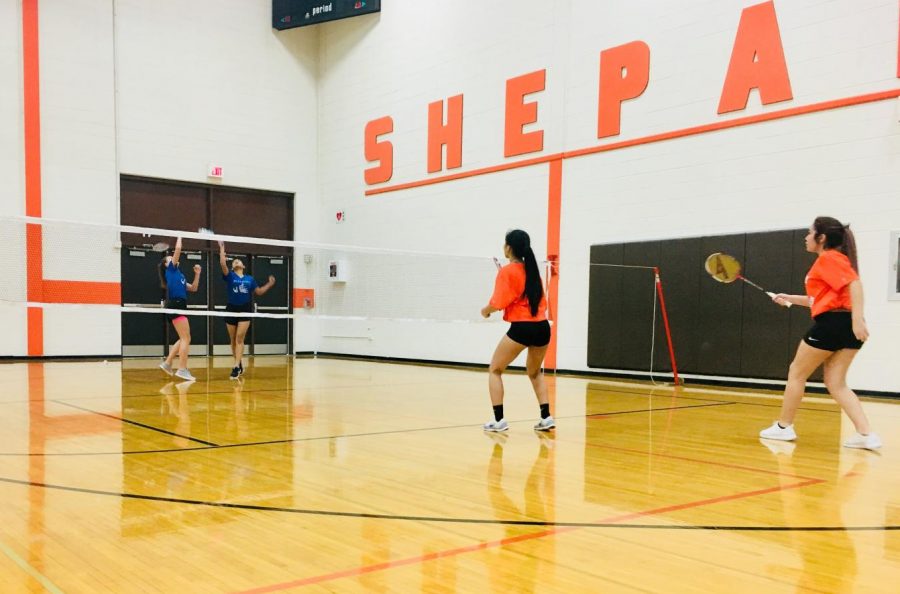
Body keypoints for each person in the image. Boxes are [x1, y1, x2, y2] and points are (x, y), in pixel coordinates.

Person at [760, 216, 881, 450]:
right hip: (844, 324)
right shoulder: (834, 261)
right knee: (836, 383)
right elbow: (821, 299)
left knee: (797, 372)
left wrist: (857, 320)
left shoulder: (829, 259)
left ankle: (784, 427)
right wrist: (790, 299)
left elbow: (854, 285)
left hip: (835, 323)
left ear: (821, 238)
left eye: (809, 232)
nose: (806, 237)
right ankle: (866, 435)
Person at [480, 229, 553, 432]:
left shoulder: (507, 271)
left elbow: (498, 302)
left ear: (508, 248)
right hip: (542, 327)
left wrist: (485, 311)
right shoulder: (532, 270)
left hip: (522, 328)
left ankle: (498, 420)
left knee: (495, 370)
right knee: (535, 372)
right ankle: (546, 417)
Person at [218, 241, 276, 379]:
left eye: (239, 261)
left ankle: (236, 366)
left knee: (239, 338)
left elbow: (259, 292)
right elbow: (222, 264)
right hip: (231, 308)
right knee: (232, 339)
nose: (237, 262)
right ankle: (238, 363)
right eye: (234, 261)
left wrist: (269, 284)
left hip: (245, 309)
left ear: (243, 266)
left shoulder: (250, 279)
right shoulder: (230, 276)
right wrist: (221, 248)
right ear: (233, 267)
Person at [158, 237, 202, 382]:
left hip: (179, 304)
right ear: (167, 264)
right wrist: (179, 236)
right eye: (170, 258)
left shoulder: (180, 275)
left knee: (183, 338)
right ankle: (182, 369)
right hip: (176, 304)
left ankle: (167, 363)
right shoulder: (170, 270)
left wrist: (197, 274)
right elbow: (178, 250)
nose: (173, 258)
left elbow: (194, 288)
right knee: (186, 338)